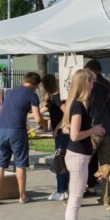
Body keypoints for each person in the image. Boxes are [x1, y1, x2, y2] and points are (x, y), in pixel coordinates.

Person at [62, 69, 105, 220]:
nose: (93, 85)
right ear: (84, 83)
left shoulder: (77, 104)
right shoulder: (78, 106)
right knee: (75, 201)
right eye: (91, 82)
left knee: (75, 200)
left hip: (79, 156)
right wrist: (94, 129)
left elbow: (66, 129)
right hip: (78, 156)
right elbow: (74, 134)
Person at [0, 72, 43, 206]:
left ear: (25, 80)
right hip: (17, 131)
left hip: (1, 130)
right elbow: (37, 118)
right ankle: (22, 196)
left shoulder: (11, 92)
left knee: (0, 165)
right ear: (36, 84)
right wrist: (44, 125)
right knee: (20, 163)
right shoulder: (32, 94)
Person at [83, 60, 110, 203]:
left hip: (94, 128)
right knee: (106, 167)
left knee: (82, 162)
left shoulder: (91, 85)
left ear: (90, 70)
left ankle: (76, 196)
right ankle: (107, 197)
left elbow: (87, 106)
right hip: (107, 127)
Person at [42, 74, 70, 202]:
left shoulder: (56, 97)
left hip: (62, 133)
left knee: (60, 161)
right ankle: (63, 188)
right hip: (61, 133)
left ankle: (62, 190)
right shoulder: (53, 98)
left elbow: (66, 111)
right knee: (62, 160)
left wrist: (58, 127)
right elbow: (41, 110)